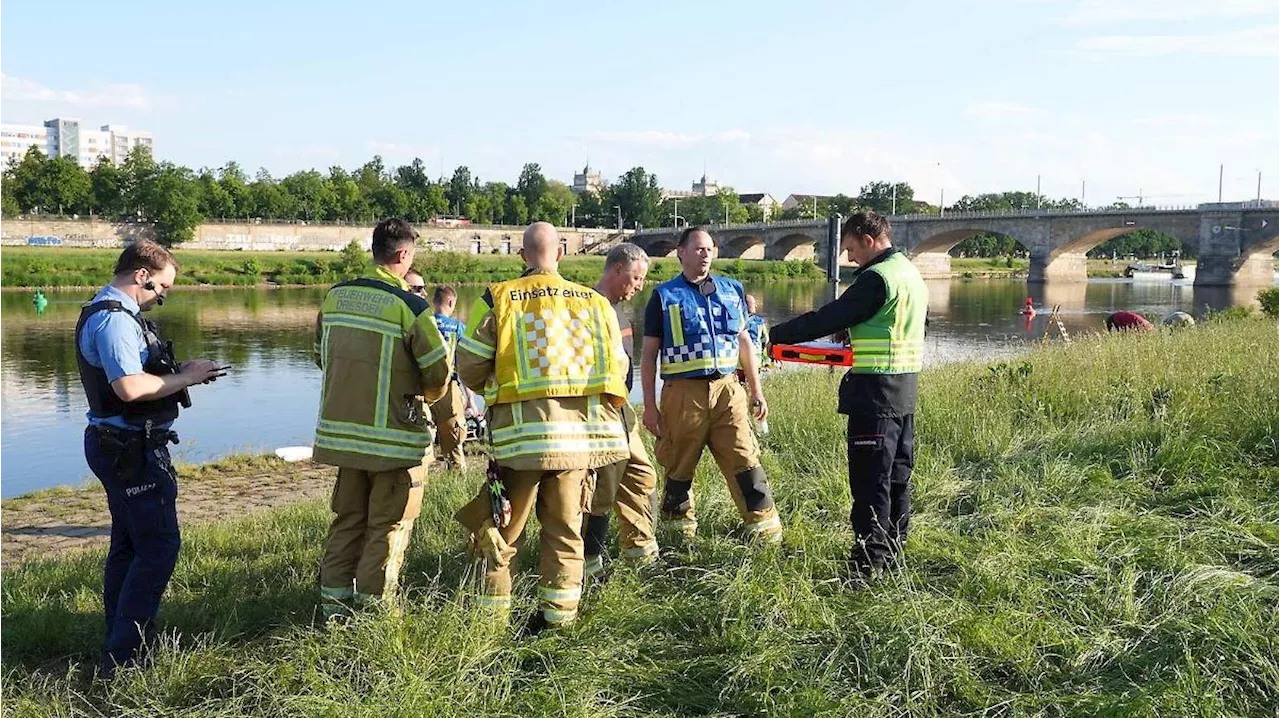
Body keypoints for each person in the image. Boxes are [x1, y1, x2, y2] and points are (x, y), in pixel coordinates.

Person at [454, 222, 629, 633]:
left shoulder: (498, 298)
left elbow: (469, 365)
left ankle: (490, 623)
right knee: (566, 531)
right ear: (561, 254)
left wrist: (495, 385)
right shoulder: (595, 303)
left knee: (501, 533)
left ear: (521, 255)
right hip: (578, 442)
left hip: (520, 443)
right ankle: (558, 622)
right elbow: (619, 368)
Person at [76, 240, 225, 676]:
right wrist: (186, 378)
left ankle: (120, 638)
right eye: (160, 288)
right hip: (130, 451)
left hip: (118, 445)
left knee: (129, 544)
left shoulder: (103, 310)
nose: (160, 297)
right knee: (158, 547)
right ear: (141, 275)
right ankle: (126, 657)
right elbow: (129, 389)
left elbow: (139, 379)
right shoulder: (114, 320)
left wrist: (183, 376)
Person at [768, 211, 929, 580]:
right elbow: (909, 324)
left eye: (851, 248)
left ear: (869, 241)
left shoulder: (876, 278)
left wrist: (772, 335)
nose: (849, 257)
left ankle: (865, 567)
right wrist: (857, 328)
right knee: (896, 480)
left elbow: (827, 317)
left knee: (869, 484)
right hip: (904, 393)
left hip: (874, 395)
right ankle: (893, 555)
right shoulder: (909, 273)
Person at [313, 218, 452, 616]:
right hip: (393, 439)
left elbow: (321, 357)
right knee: (385, 528)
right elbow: (438, 372)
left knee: (347, 521)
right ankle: (375, 613)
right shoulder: (410, 306)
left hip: (341, 438)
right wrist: (421, 397)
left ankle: (333, 609)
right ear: (404, 255)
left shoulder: (335, 296)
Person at [640, 226, 782, 542]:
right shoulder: (663, 297)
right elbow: (648, 356)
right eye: (699, 249)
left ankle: (765, 533)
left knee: (744, 459)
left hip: (728, 390)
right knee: (679, 466)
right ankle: (680, 536)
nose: (706, 254)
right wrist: (649, 406)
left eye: (710, 249)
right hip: (683, 394)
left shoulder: (732, 290)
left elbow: (744, 341)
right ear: (681, 252)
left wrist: (756, 390)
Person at [582, 243, 659, 579]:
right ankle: (589, 565)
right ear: (616, 270)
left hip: (622, 410)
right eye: (636, 278)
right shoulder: (584, 307)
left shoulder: (622, 312)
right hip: (595, 412)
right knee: (601, 491)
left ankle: (641, 554)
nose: (639, 286)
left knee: (642, 476)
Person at [429, 284, 468, 471]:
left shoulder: (423, 323)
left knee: (426, 436)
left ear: (433, 301)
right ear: (451, 302)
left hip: (423, 387)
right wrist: (470, 399)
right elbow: (465, 364)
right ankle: (457, 475)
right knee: (454, 436)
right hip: (449, 387)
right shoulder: (457, 328)